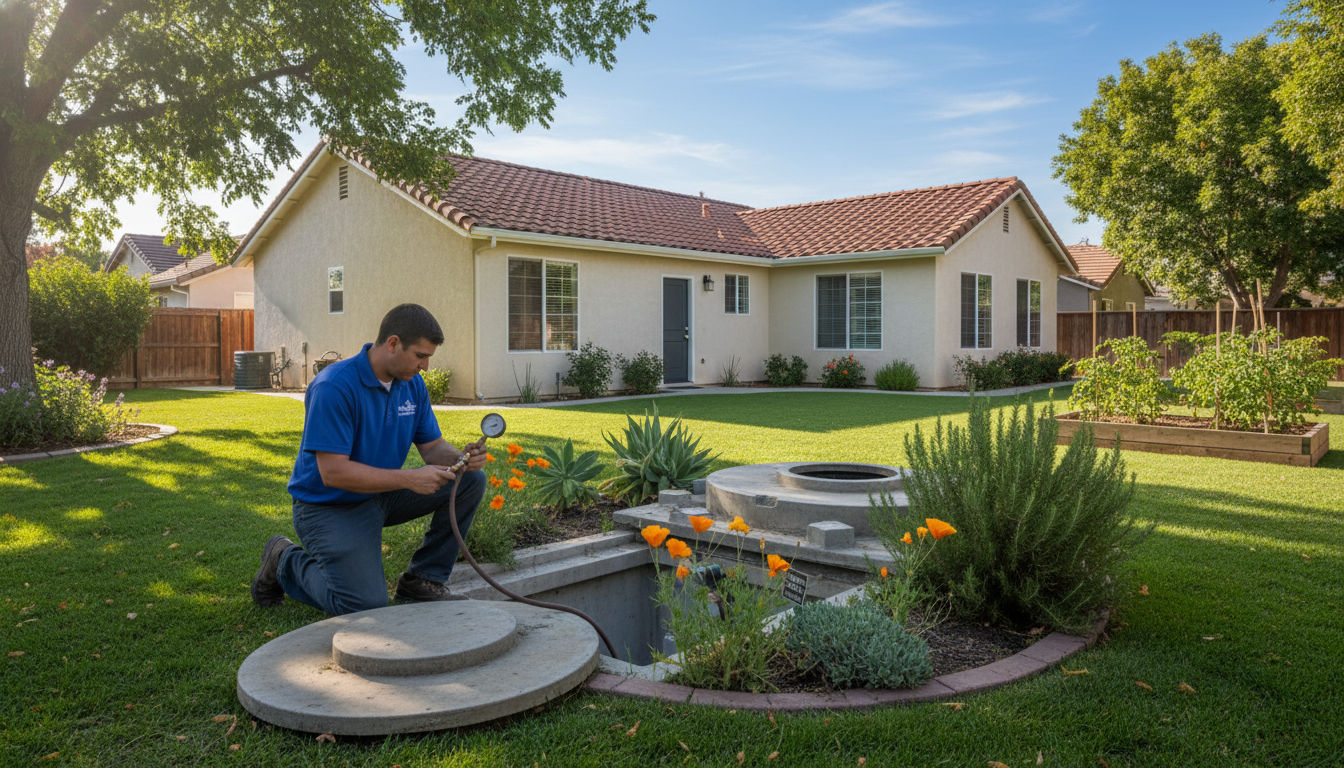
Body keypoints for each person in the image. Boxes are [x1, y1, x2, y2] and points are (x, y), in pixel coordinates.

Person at [250, 303, 487, 615]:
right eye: (420, 355)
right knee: (363, 604)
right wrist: (410, 478)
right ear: (392, 343)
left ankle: (423, 580)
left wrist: (461, 458)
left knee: (469, 479)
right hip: (328, 506)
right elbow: (333, 473)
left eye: (428, 357)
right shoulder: (335, 386)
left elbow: (432, 448)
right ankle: (283, 559)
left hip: (380, 495)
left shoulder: (412, 385)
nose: (426, 367)